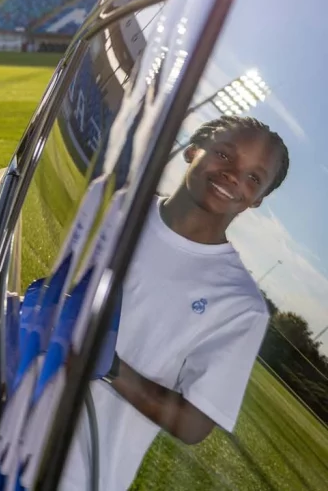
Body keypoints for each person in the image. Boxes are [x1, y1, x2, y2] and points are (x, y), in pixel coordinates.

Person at [61, 114, 291, 491]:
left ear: (258, 199)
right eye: (224, 154)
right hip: (8, 421)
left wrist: (110, 366)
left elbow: (195, 424)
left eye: (254, 177)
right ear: (192, 150)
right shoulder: (119, 207)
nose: (234, 175)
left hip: (78, 476)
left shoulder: (241, 304)